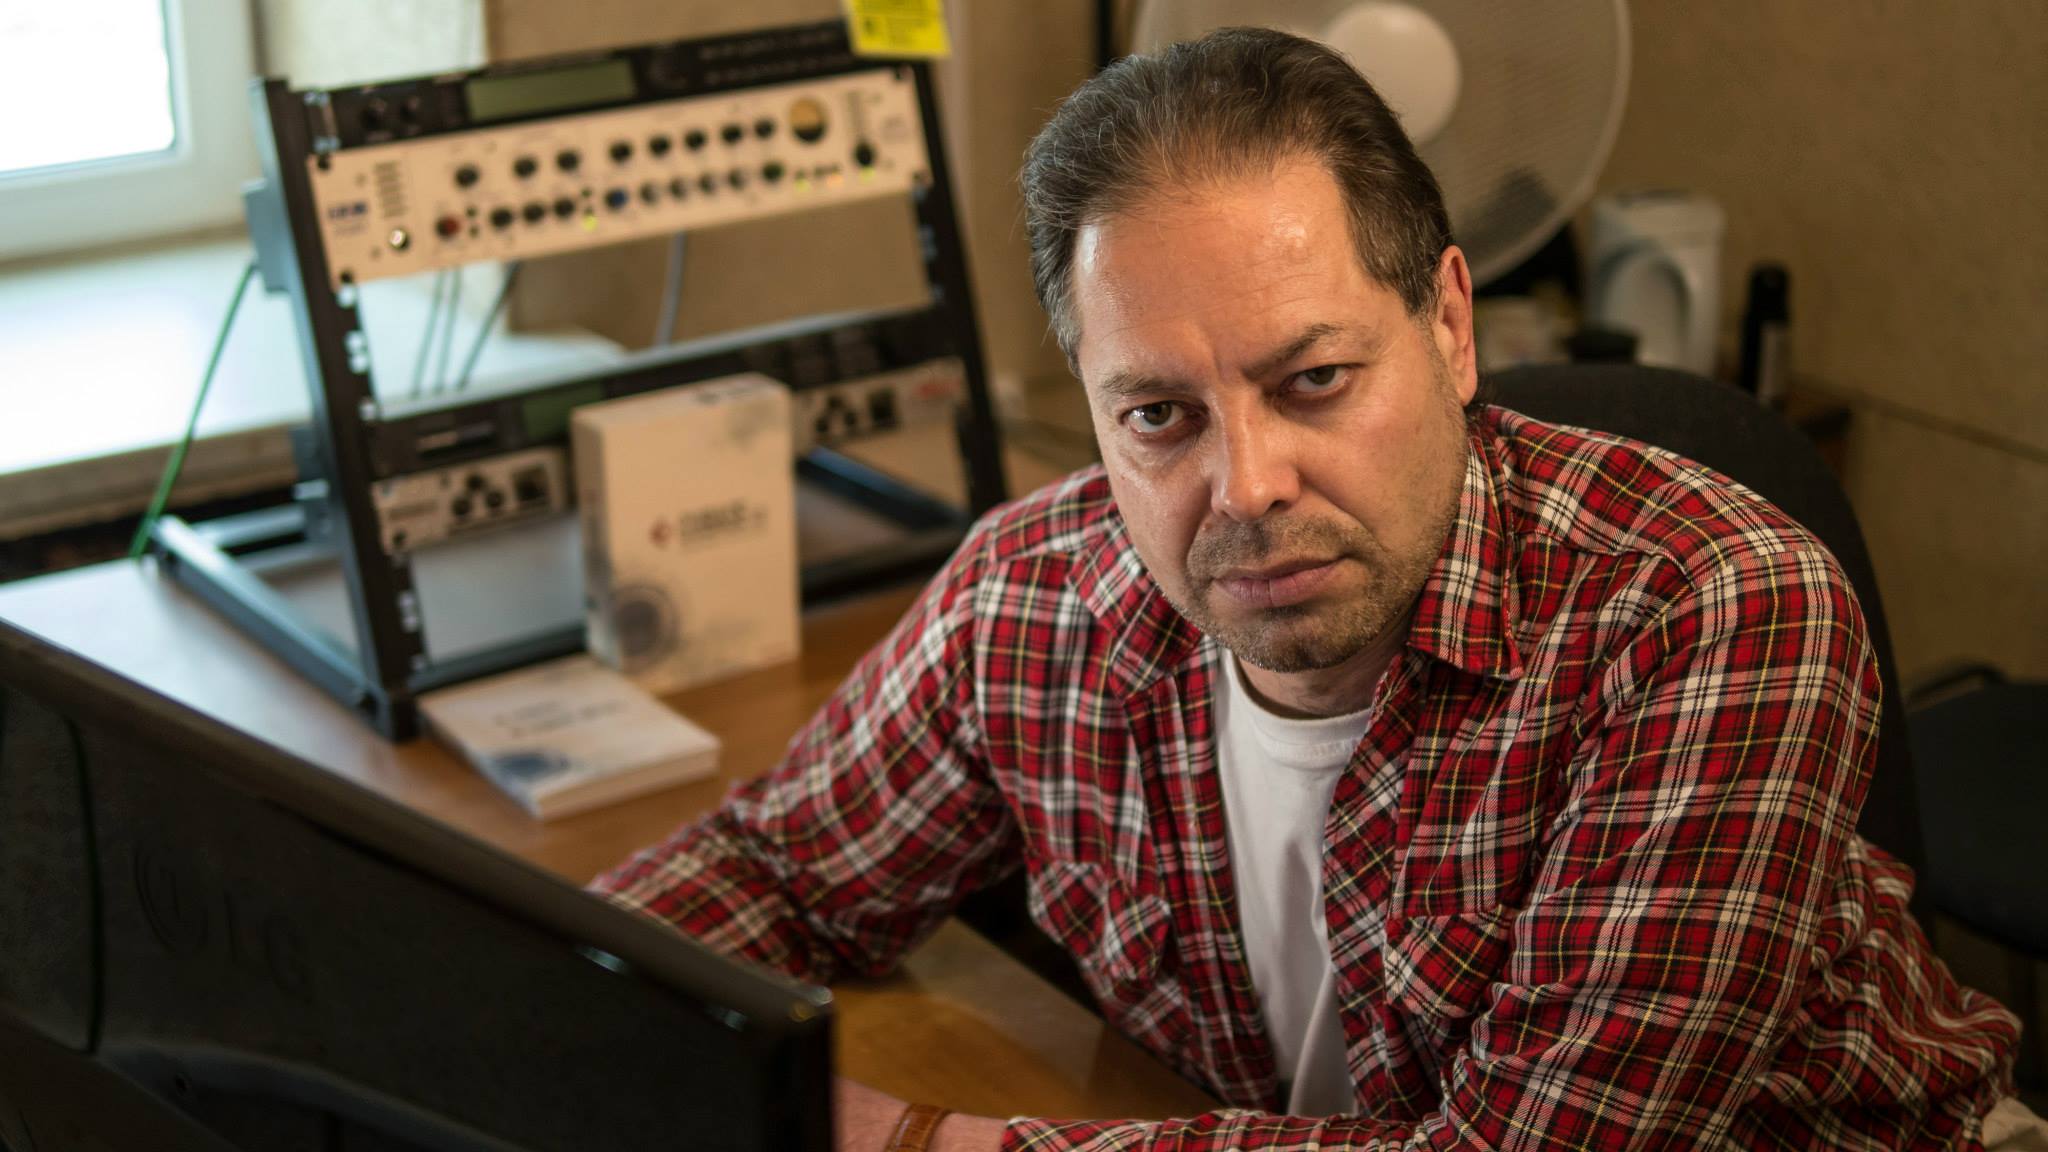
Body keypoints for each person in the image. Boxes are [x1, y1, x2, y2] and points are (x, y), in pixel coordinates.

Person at [594, 27, 2028, 1152]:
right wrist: (537, 1027)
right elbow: (772, 872)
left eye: (1316, 380)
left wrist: (913, 1141)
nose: (1248, 484)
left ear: (1449, 325)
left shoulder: (1715, 611)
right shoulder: (1027, 599)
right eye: (1159, 415)